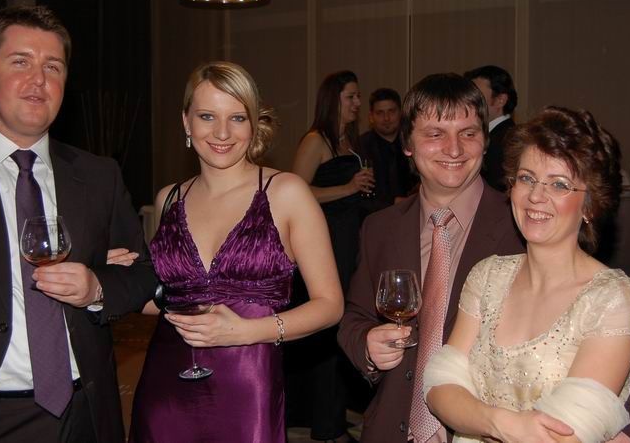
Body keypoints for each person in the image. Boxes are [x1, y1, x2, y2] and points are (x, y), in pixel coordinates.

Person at [337, 74, 630, 443]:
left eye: (468, 133)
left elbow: (620, 385)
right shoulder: (380, 228)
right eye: (436, 134)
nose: (454, 149)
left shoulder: (531, 224)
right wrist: (367, 344)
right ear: (407, 143)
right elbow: (354, 316)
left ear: (486, 140)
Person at [0, 6, 158, 443]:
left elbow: (143, 275)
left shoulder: (98, 176)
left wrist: (97, 287)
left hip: (85, 413)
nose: (38, 80)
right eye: (20, 62)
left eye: (53, 67)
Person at [130, 61, 343, 443]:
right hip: (165, 385)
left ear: (254, 124)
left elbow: (330, 305)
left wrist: (248, 331)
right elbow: (164, 300)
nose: (222, 132)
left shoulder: (286, 192)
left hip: (247, 387)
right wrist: (114, 282)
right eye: (207, 116)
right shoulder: (168, 199)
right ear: (186, 122)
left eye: (237, 118)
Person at [424, 106, 630, 443]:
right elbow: (438, 388)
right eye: (526, 178)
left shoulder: (614, 299)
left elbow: (565, 435)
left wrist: (474, 416)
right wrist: (502, 423)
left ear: (590, 205)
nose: (535, 195)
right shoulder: (487, 276)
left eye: (559, 184)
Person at [289, 69, 374, 442]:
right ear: (333, 100)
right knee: (329, 326)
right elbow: (295, 191)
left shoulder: (348, 141)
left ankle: (334, 412)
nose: (357, 103)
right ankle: (325, 423)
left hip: (349, 238)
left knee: (345, 324)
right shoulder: (315, 140)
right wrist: (348, 188)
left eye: (358, 96)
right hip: (325, 241)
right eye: (351, 96)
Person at [359, 87, 418, 212]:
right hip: (373, 216)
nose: (386, 118)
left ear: (401, 113)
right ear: (371, 117)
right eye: (380, 113)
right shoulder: (360, 147)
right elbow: (358, 196)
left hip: (414, 212)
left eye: (391, 111)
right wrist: (393, 203)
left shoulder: (414, 143)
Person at [464, 65, 517, 192]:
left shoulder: (507, 142)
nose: (467, 102)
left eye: (476, 96)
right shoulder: (492, 136)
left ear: (500, 100)